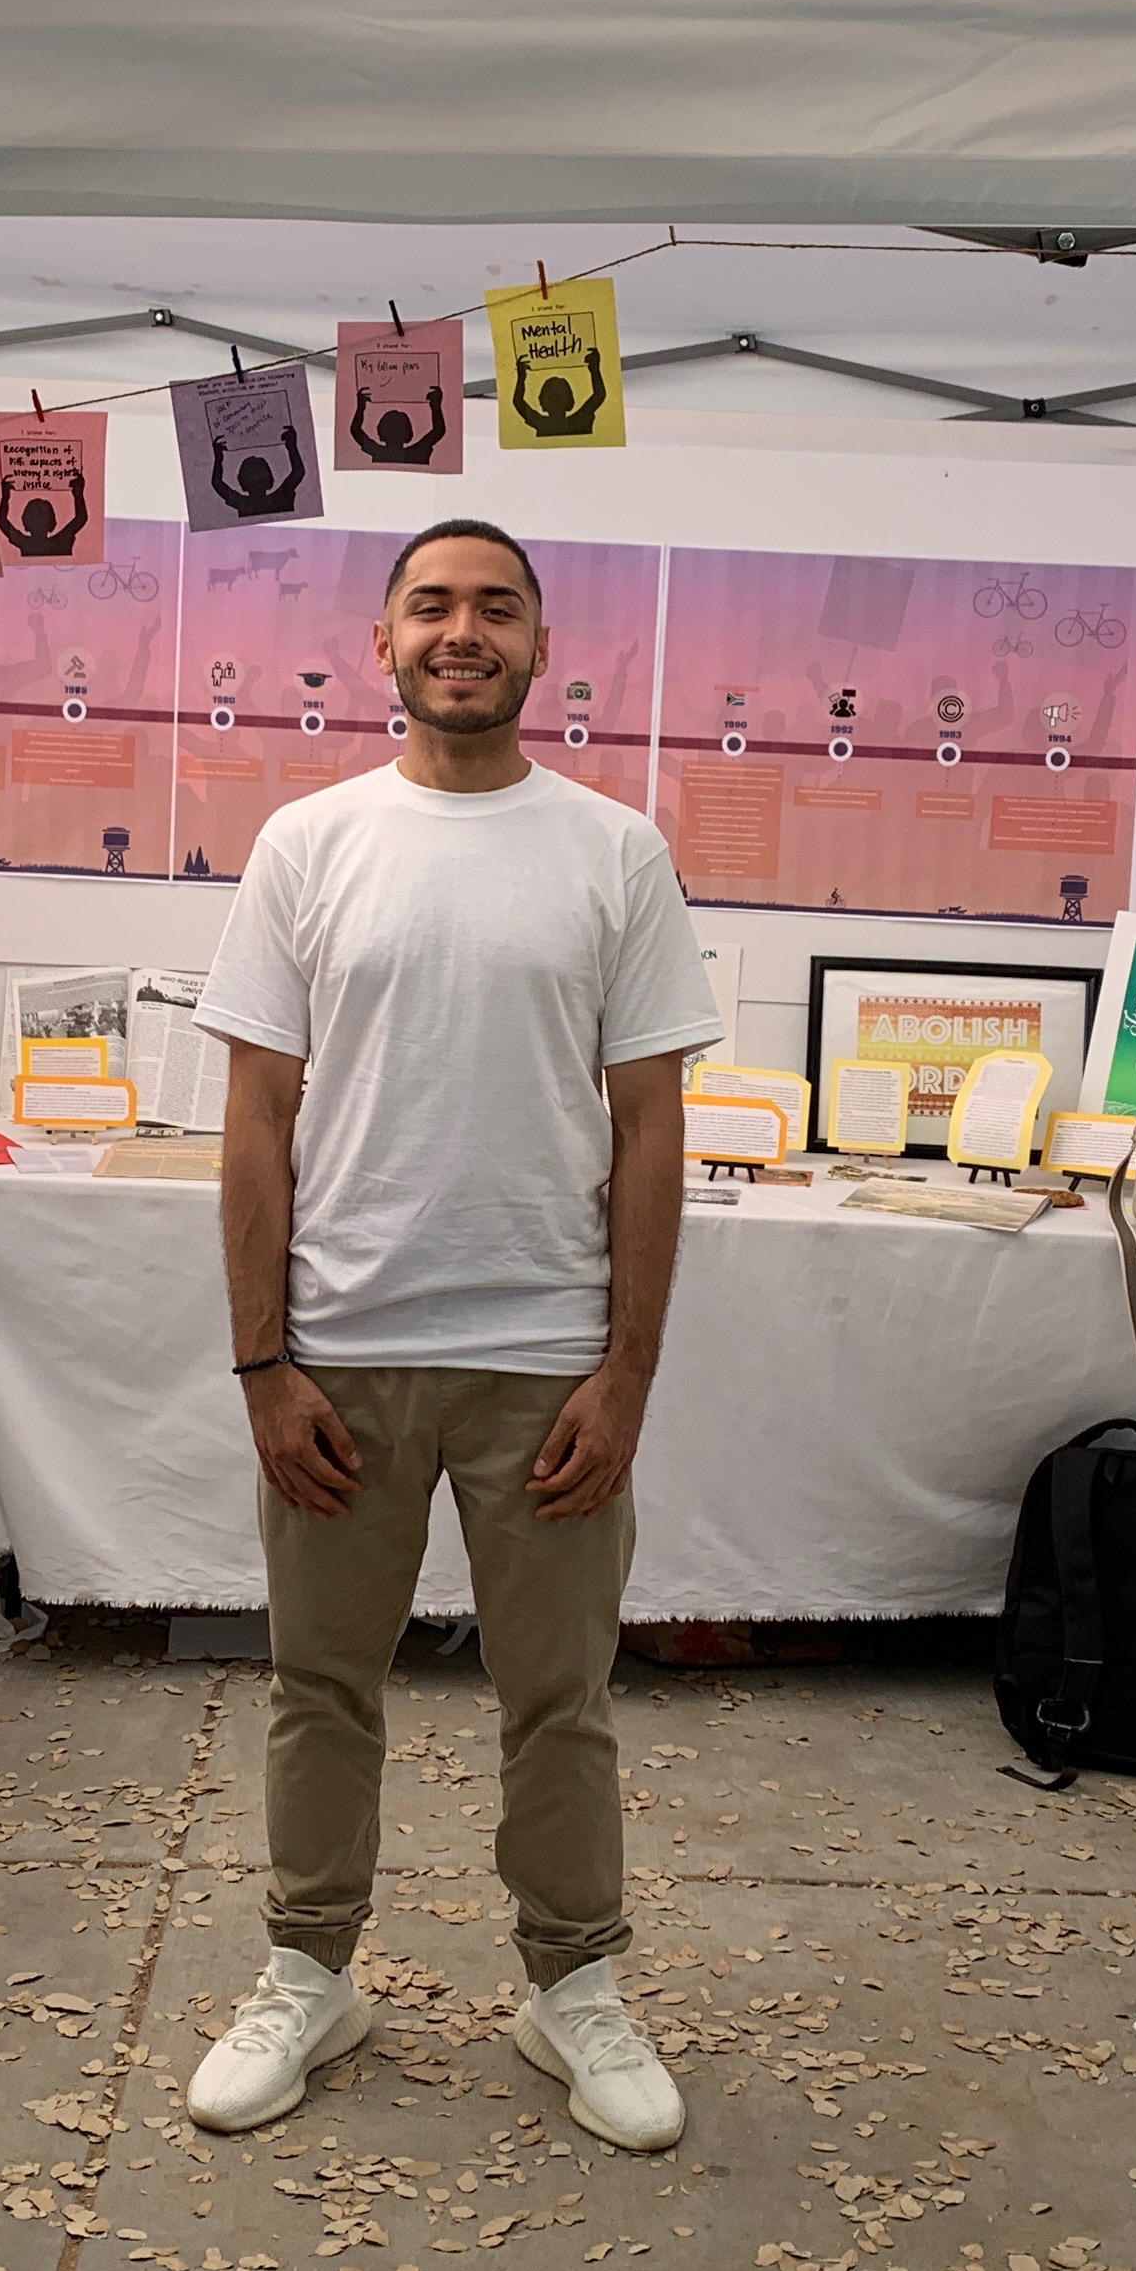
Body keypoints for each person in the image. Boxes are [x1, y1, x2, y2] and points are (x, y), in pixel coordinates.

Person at [189, 516, 721, 2151]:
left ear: (541, 646)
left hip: (542, 1360)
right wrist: (264, 1362)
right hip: (341, 1356)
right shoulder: (308, 842)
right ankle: (305, 1972)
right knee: (317, 1683)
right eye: (430, 602)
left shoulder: (614, 851)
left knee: (556, 1697)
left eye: (495, 604)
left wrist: (624, 1372)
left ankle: (574, 1985)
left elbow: (647, 1129)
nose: (461, 628)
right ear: (383, 643)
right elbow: (256, 1120)